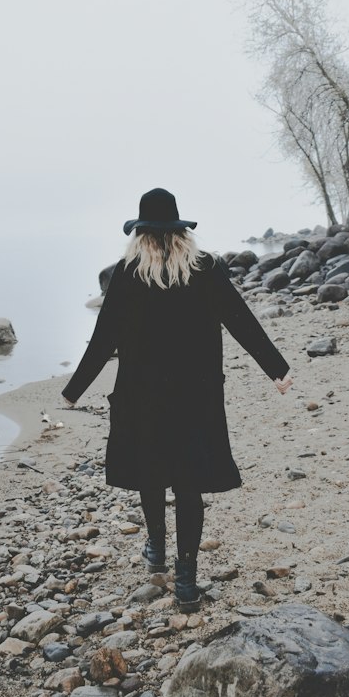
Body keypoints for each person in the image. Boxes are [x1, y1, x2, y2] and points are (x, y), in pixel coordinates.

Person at [61, 188, 293, 610]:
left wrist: (74, 391)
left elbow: (103, 337)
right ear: (180, 230)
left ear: (140, 233)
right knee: (188, 486)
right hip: (196, 396)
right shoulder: (205, 269)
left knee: (151, 475)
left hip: (141, 396)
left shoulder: (128, 273)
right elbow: (240, 319)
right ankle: (186, 578)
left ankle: (157, 549)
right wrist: (276, 369)